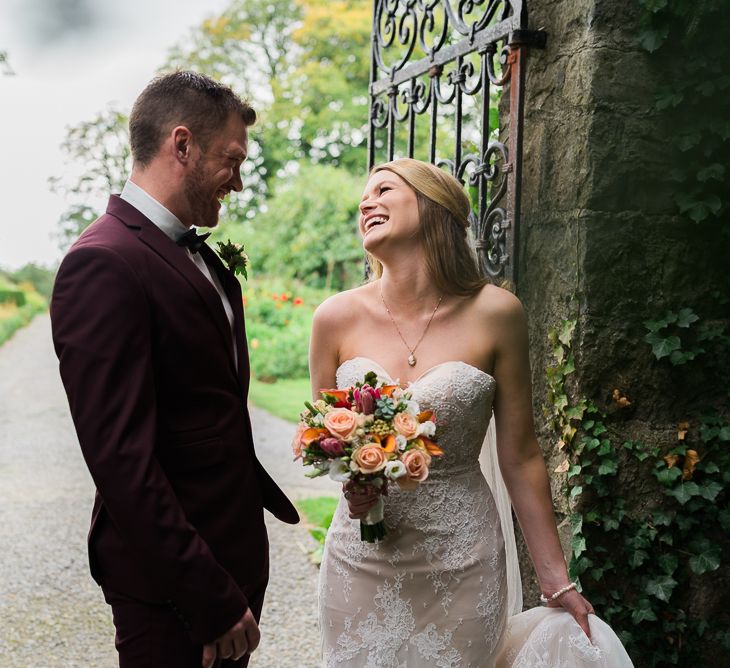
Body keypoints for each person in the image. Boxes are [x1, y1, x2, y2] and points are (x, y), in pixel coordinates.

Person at [309, 158, 633, 666]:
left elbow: (521, 456)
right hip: (364, 554)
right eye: (362, 197)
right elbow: (323, 443)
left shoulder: (497, 312)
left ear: (433, 204)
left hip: (462, 558)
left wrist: (555, 578)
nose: (365, 203)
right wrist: (352, 481)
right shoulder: (334, 318)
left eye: (383, 189)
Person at [50, 71, 298, 668]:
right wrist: (205, 595)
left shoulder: (190, 249)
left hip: (229, 552)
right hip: (174, 584)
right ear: (181, 146)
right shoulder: (103, 263)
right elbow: (120, 460)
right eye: (232, 160)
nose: (239, 181)